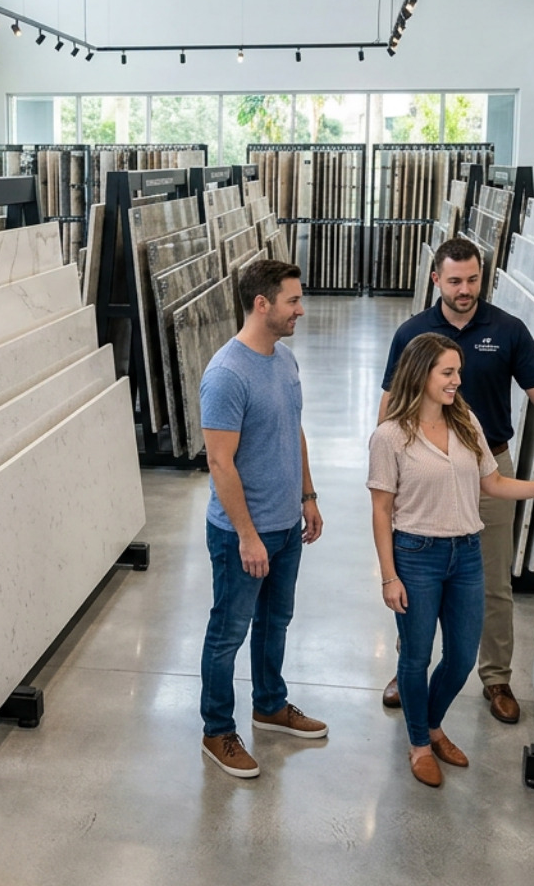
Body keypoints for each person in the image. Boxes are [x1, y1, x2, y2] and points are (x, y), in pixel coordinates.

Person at [370, 332, 534, 786]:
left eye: (458, 372)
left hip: (466, 554)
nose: (456, 381)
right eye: (447, 373)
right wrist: (389, 577)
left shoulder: (466, 421)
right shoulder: (390, 436)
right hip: (416, 556)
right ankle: (420, 743)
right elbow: (380, 510)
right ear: (422, 374)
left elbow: (492, 485)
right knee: (415, 658)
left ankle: (432, 724)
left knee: (460, 658)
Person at [378, 237, 534, 724]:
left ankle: (495, 676)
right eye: (455, 280)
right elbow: (390, 401)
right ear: (436, 280)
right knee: (415, 577)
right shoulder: (412, 333)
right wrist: (386, 463)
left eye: (473, 279)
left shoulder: (507, 329)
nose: (465, 289)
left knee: (492, 580)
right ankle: (409, 668)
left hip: (489, 466)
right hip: (423, 472)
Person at [198, 258, 326, 780]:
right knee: (227, 634)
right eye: (292, 300)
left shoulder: (285, 360)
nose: (301, 309)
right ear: (262, 304)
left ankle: (270, 703)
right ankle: (216, 730)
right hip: (240, 536)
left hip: (285, 526)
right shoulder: (226, 375)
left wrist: (309, 495)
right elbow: (219, 462)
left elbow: (293, 429)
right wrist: (248, 536)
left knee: (276, 622)